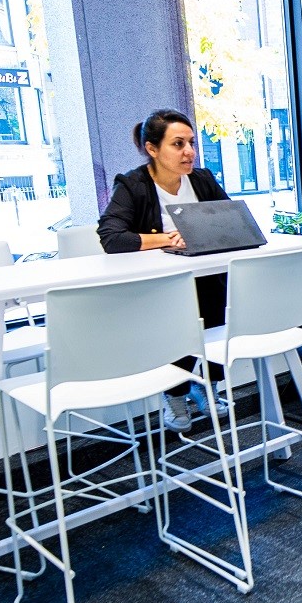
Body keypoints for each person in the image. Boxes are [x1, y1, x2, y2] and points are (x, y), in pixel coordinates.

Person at [97, 109, 229, 429]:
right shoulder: (132, 185)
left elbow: (230, 221)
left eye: (191, 143)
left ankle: (207, 384)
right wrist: (167, 238)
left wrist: (199, 233)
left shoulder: (202, 180)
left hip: (206, 279)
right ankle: (175, 394)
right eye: (178, 144)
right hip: (159, 287)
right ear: (152, 149)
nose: (189, 152)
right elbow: (111, 238)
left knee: (216, 301)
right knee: (179, 320)